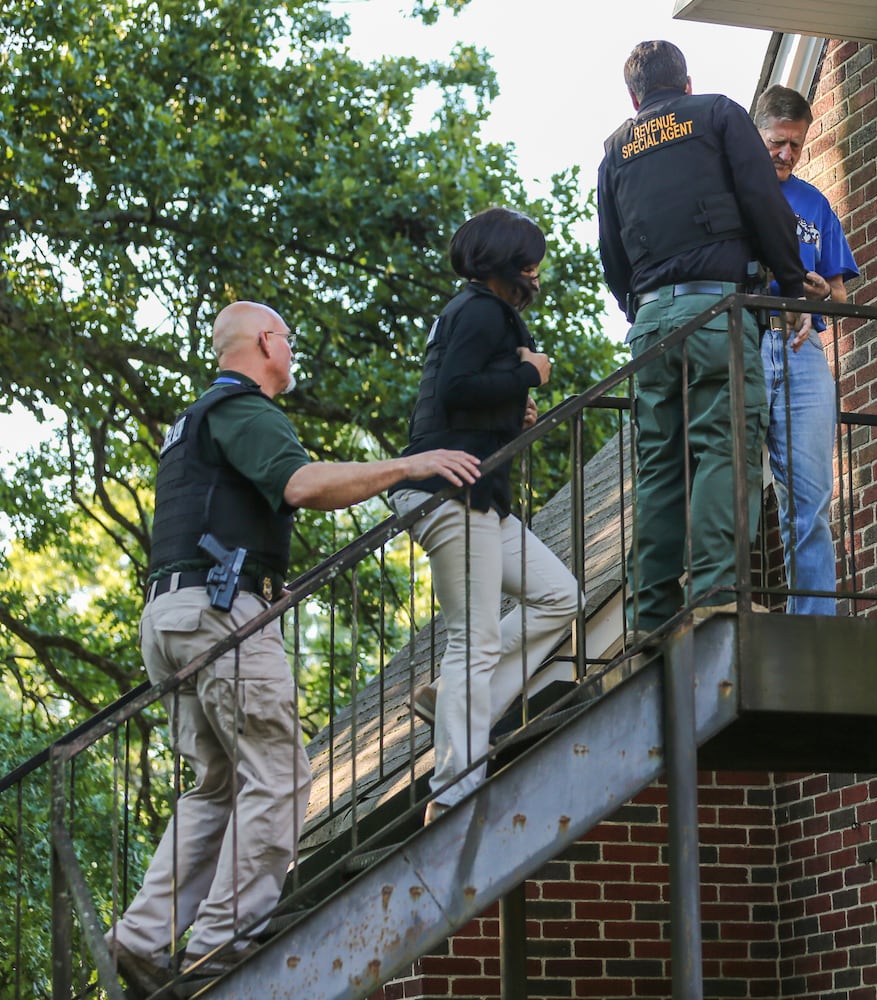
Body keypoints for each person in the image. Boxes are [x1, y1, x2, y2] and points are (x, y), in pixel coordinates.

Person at [106, 300, 482, 997]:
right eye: (288, 339)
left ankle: (141, 937)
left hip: (172, 615)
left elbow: (214, 515)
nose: (291, 352)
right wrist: (409, 465)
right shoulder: (243, 409)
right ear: (263, 342)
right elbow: (302, 485)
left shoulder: (189, 423)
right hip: (220, 616)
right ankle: (224, 944)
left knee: (217, 785)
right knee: (279, 775)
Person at [596, 40, 810, 634]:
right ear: (685, 83)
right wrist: (790, 286)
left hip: (650, 328)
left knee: (661, 467)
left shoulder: (615, 149)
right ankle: (715, 594)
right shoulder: (716, 113)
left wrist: (643, 310)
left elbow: (611, 254)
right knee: (726, 446)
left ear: (634, 97)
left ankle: (648, 619)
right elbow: (763, 201)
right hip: (717, 312)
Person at [391, 207, 579, 824]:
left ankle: (451, 702)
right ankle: (454, 787)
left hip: (479, 495)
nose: (536, 270)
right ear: (500, 260)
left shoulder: (482, 312)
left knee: (559, 597)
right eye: (529, 259)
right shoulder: (476, 308)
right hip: (451, 491)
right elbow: (454, 388)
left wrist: (512, 409)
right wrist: (529, 372)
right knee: (474, 637)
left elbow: (466, 395)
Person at [752, 85, 860, 616]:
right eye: (777, 142)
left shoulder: (815, 203)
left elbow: (841, 297)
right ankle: (732, 613)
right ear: (757, 135)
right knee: (736, 494)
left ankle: (814, 624)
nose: (786, 154)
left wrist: (821, 296)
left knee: (812, 500)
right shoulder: (734, 194)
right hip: (745, 342)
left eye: (796, 145)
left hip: (802, 349)